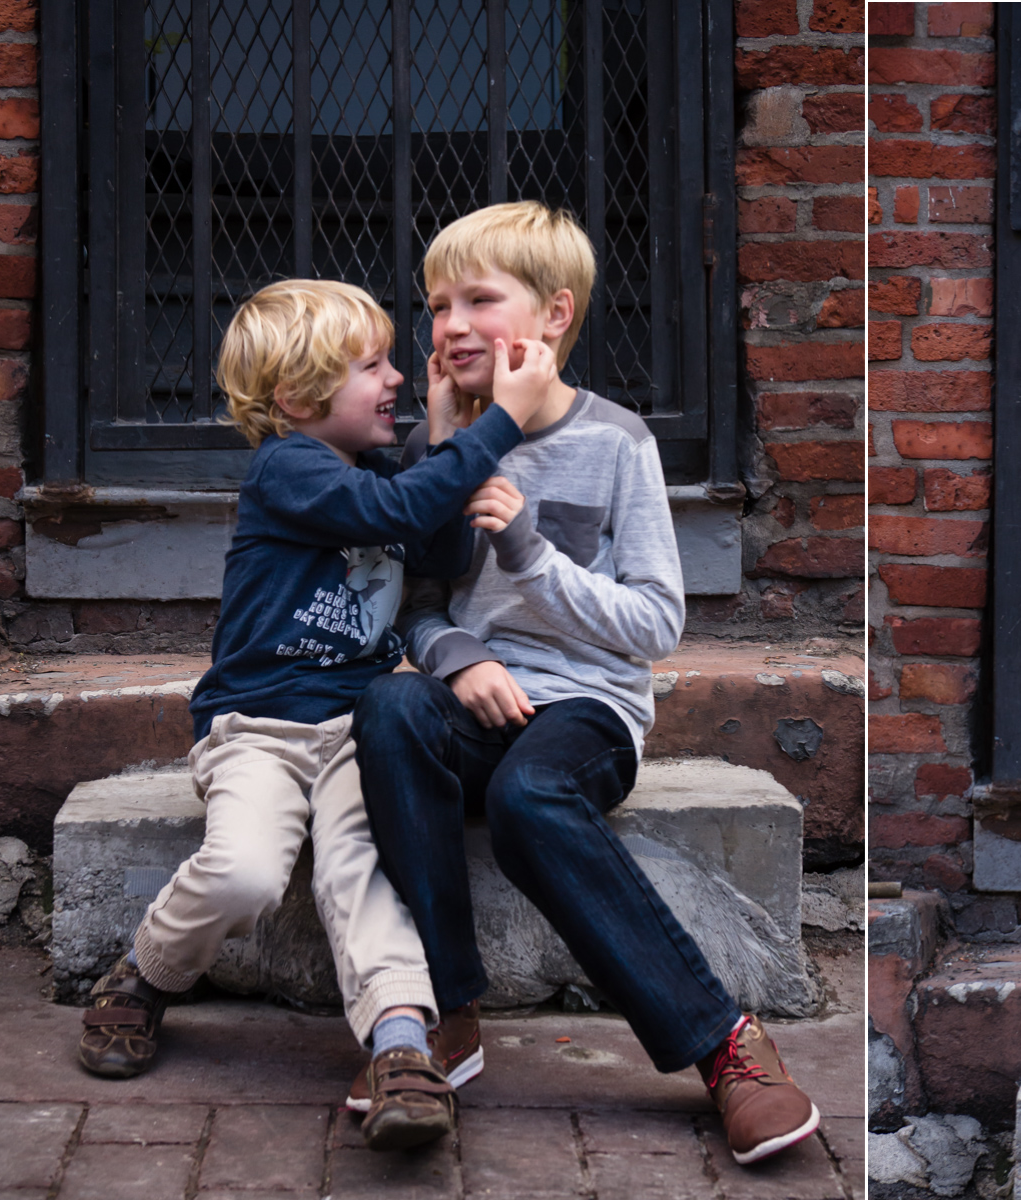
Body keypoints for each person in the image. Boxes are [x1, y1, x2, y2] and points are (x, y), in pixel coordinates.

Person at [349, 201, 821, 1165]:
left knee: (529, 797)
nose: (449, 325)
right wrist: (458, 656)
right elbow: (417, 603)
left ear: (555, 315)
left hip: (587, 709)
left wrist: (529, 554)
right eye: (436, 304)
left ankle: (723, 1044)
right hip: (473, 704)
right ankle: (446, 1014)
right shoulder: (442, 444)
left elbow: (655, 622)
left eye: (480, 298)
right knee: (390, 704)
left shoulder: (618, 443)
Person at [76, 279, 547, 1151]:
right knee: (245, 873)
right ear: (297, 398)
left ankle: (402, 1044)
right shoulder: (288, 467)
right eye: (371, 366)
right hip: (259, 728)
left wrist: (443, 436)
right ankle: (146, 972)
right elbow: (402, 512)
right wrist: (502, 421)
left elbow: (435, 541)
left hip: (353, 731)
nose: (399, 377)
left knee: (358, 871)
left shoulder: (379, 471)